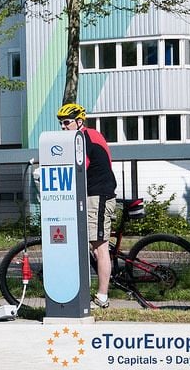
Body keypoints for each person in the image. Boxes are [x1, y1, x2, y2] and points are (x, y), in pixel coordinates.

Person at [57, 103, 117, 309]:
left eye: (66, 123)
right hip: (93, 195)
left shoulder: (83, 138)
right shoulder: (89, 135)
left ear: (79, 122)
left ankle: (102, 297)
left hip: (98, 196)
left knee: (100, 246)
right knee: (92, 243)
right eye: (61, 124)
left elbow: (79, 168)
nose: (63, 127)